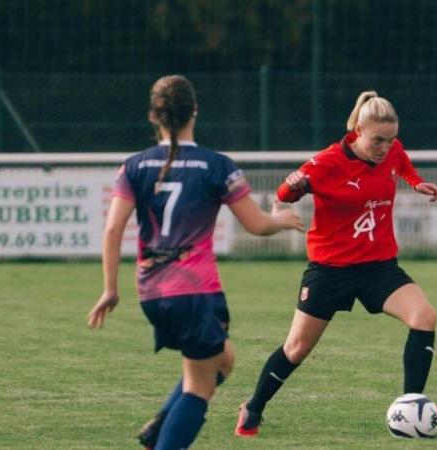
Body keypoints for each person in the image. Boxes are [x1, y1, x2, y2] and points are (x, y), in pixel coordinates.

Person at [87, 74, 304, 450]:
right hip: (194, 290)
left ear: (154, 116)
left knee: (224, 359)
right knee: (199, 385)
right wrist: (282, 220)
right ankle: (166, 436)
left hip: (152, 292)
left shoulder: (134, 166)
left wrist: (110, 289)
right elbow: (255, 225)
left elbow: (112, 229)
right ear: (195, 112)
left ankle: (161, 425)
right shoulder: (216, 166)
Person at [234, 91, 437, 437]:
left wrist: (416, 183)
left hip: (378, 266)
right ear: (357, 129)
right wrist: (293, 189)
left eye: (390, 139)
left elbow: (401, 164)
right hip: (330, 269)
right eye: (377, 140)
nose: (384, 147)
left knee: (424, 316)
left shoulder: (392, 151)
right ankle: (253, 407)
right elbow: (284, 193)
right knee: (296, 348)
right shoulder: (327, 162)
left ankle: (413, 405)